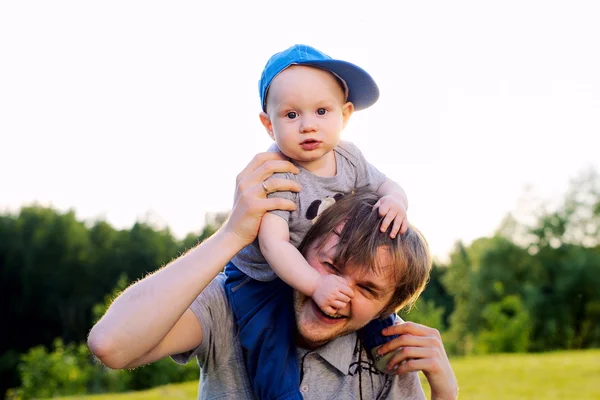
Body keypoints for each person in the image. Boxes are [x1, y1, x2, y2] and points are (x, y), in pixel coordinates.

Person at [88, 152, 458, 400]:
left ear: (386, 307)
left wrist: (445, 394)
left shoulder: (387, 352)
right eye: (329, 266)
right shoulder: (228, 307)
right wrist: (233, 233)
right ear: (301, 246)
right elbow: (111, 344)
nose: (338, 291)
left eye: (366, 288)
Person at [226, 44, 411, 399]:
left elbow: (387, 183)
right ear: (269, 124)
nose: (308, 125)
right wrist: (314, 285)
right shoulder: (276, 171)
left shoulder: (349, 157)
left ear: (345, 115)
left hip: (323, 269)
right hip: (263, 277)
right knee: (271, 346)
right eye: (291, 115)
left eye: (322, 111)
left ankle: (385, 358)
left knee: (375, 317)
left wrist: (395, 200)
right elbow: (274, 244)